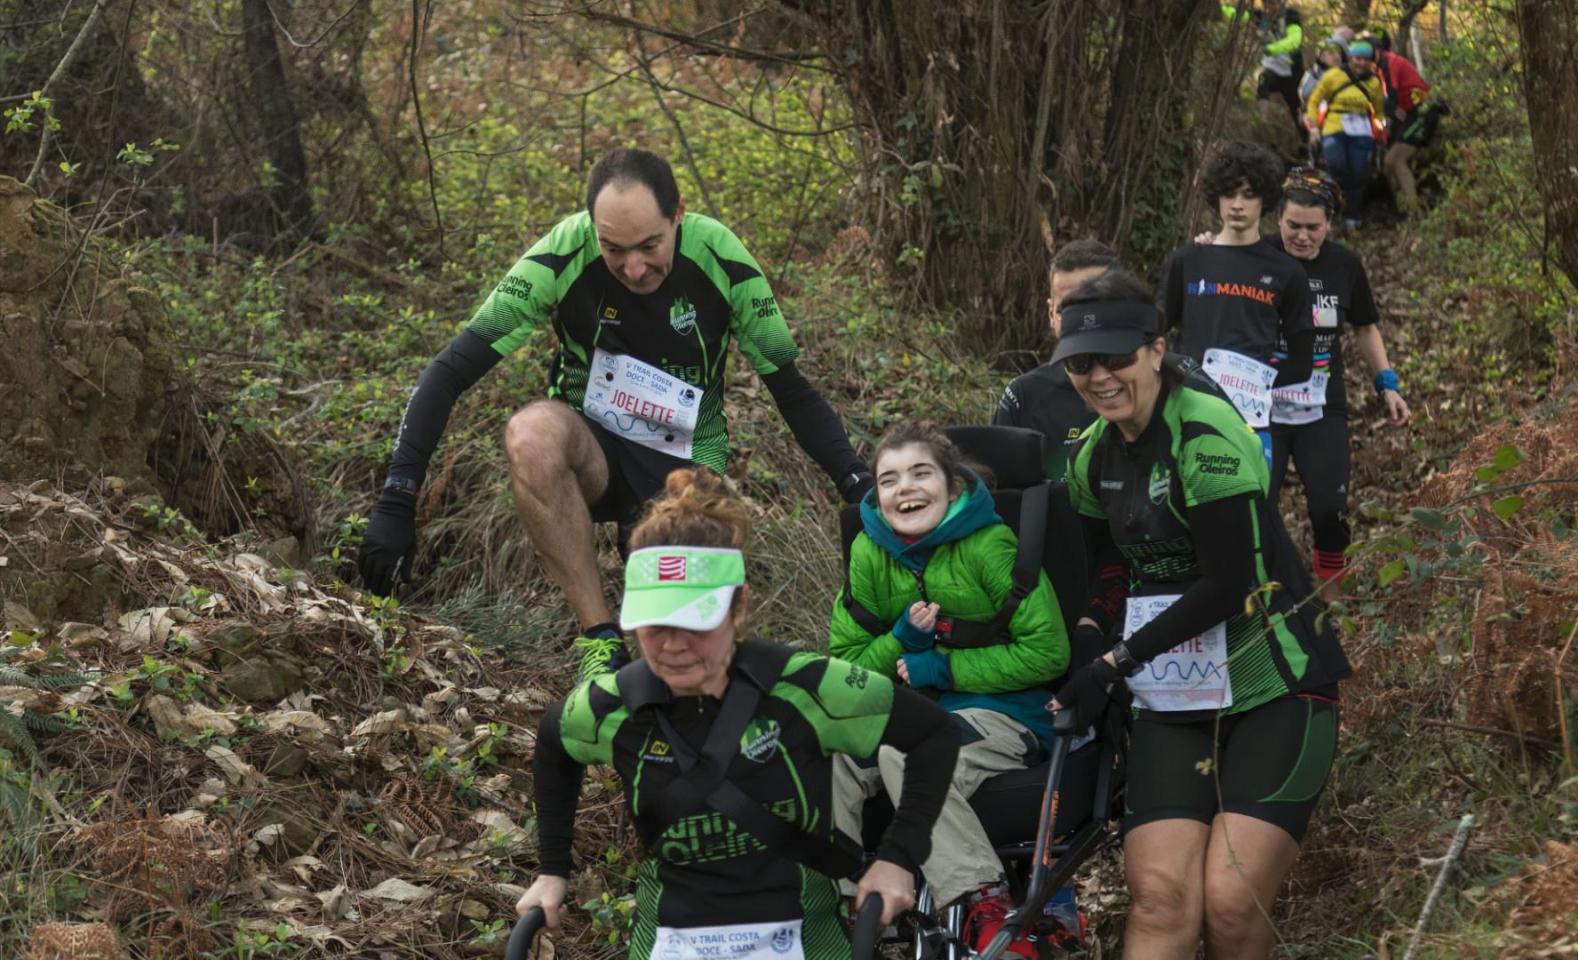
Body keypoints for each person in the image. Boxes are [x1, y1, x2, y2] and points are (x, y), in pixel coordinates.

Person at [357, 147, 873, 676]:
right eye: (613, 249)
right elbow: (450, 370)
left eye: (650, 245)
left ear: (679, 215)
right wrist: (398, 497)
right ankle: (600, 640)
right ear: (591, 229)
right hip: (593, 445)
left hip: (685, 457)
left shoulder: (721, 254)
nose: (633, 267)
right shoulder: (564, 250)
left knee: (679, 640)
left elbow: (791, 389)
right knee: (531, 433)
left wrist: (856, 482)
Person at [517, 468, 958, 958]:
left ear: (739, 607)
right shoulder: (613, 705)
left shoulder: (807, 686)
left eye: (695, 620)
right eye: (655, 624)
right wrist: (552, 869)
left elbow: (934, 734)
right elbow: (555, 739)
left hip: (800, 938)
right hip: (669, 939)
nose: (673, 645)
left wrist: (899, 856)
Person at [1046, 269, 1351, 960]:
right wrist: (1091, 638)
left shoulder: (1205, 432)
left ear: (1156, 349)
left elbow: (1229, 583)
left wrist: (1119, 660)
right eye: (1081, 365)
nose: (1099, 378)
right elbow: (1111, 569)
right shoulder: (1092, 457)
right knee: (1160, 903)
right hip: (1175, 693)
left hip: (1275, 680)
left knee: (1231, 903)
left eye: (1117, 358)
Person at [829, 424, 1070, 959]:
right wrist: (897, 640)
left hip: (1001, 713)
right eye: (888, 479)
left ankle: (984, 903)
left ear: (953, 486)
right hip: (906, 710)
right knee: (829, 755)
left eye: (920, 473)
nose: (904, 489)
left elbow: (1049, 652)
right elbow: (844, 666)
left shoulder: (990, 544)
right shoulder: (870, 553)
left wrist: (942, 666)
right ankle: (840, 909)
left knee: (908, 754)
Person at [1265, 168, 1411, 593]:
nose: (1303, 236)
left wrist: (1388, 385)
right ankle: (1268, 593)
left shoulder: (1344, 265)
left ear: (1329, 224)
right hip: (1260, 408)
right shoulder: (1257, 259)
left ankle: (1334, 600)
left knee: (1331, 509)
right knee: (1257, 506)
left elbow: (1365, 328)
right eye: (1294, 226)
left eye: (1313, 228)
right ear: (1278, 219)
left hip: (1322, 408)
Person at [1162, 140, 1316, 466]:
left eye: (1248, 195)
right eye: (1229, 194)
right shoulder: (1188, 260)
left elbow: (1302, 362)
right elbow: (1155, 335)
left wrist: (1255, 381)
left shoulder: (1287, 272)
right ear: (1215, 197)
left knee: (1247, 511)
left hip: (1249, 421)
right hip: (1185, 410)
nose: (1237, 205)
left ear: (1266, 200)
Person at [993, 239, 1121, 480]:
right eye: (1068, 310)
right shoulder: (1025, 396)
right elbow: (1004, 496)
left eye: (1095, 305)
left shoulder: (1163, 380)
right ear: (1051, 313)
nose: (1084, 321)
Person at [1305, 40, 1386, 227]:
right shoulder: (1333, 75)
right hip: (1334, 126)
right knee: (1335, 166)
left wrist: (1381, 129)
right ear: (1350, 58)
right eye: (1357, 58)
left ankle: (1353, 215)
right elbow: (1314, 102)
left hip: (1362, 131)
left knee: (1359, 173)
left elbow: (1379, 110)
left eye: (1366, 60)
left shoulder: (1374, 82)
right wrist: (1314, 127)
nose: (1361, 63)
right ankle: (1331, 208)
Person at [1223, 1, 1307, 146]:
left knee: (1297, 109)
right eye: (1267, 3)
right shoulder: (1259, 16)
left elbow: (1295, 39)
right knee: (1263, 81)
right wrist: (1221, 7)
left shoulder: (1290, 16)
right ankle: (1264, 123)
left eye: (1273, 4)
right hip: (1272, 69)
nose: (1270, 7)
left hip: (1292, 72)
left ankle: (1308, 144)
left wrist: (1273, 48)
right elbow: (1237, 16)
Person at [1368, 40, 1438, 213]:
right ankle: (1402, 208)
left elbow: (1390, 95)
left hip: (1422, 112)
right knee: (1387, 164)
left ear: (1377, 51)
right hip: (1409, 115)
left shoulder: (1389, 62)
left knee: (1396, 160)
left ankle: (1414, 210)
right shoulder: (1377, 68)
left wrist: (1391, 112)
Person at [1298, 35, 1349, 106]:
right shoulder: (1313, 74)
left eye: (1339, 53)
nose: (1337, 56)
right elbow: (1306, 95)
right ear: (1322, 57)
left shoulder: (1349, 74)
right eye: (1331, 53)